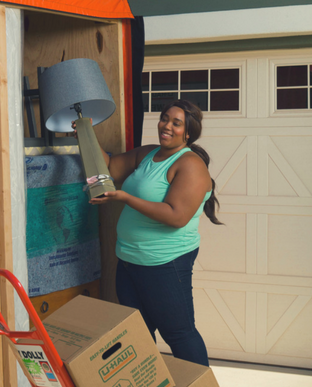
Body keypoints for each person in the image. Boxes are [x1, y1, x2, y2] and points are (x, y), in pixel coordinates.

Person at [89, 98, 221, 366]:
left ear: (188, 132)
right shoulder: (148, 153)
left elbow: (176, 216)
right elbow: (110, 167)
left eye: (176, 123)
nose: (167, 126)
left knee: (179, 335)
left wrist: (125, 198)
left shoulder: (190, 165)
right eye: (164, 118)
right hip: (129, 261)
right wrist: (86, 132)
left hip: (164, 263)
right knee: (138, 335)